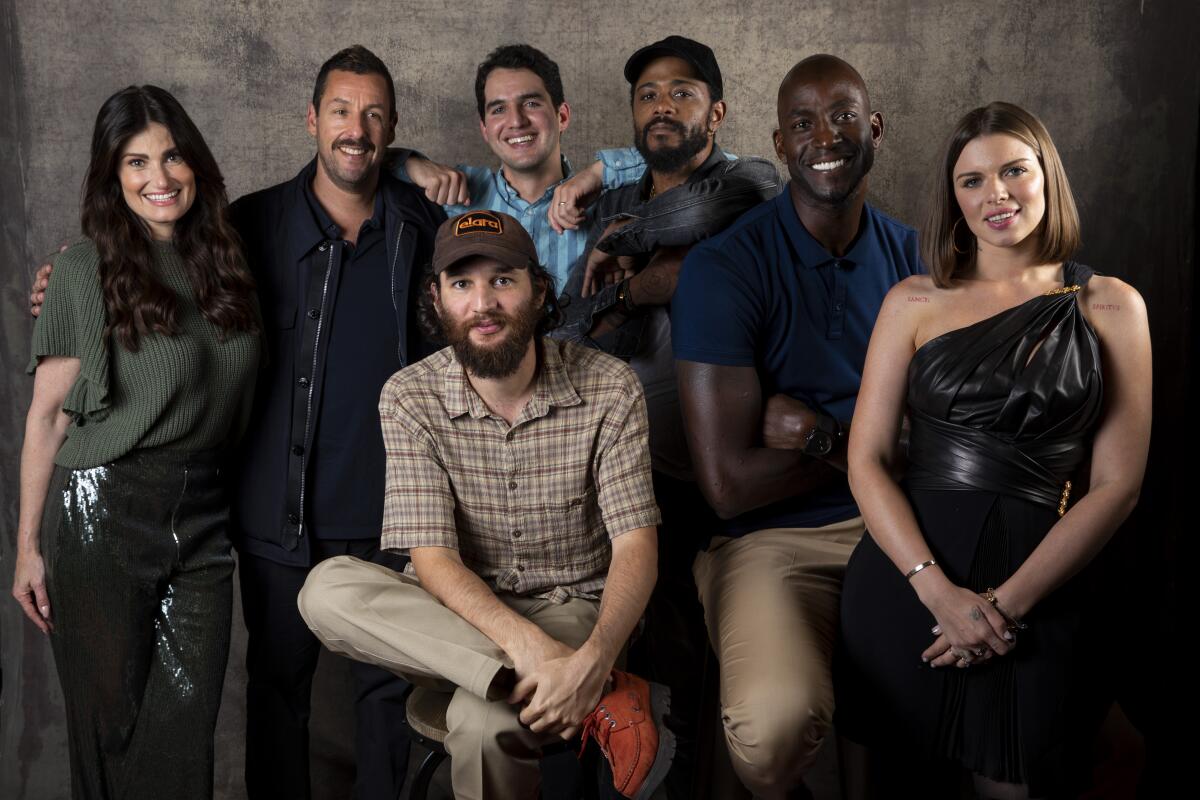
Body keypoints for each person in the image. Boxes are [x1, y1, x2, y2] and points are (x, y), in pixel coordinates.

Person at [26, 45, 445, 799]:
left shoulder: (409, 227)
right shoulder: (252, 224)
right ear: (311, 119)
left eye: (375, 114)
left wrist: (411, 164)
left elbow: (489, 252)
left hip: (328, 511)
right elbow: (61, 394)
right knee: (214, 706)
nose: (357, 127)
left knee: (359, 707)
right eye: (341, 110)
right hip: (209, 512)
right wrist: (68, 277)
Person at [296, 210, 673, 800]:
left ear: (538, 290)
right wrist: (533, 652)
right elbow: (435, 559)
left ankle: (571, 677)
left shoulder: (610, 386)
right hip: (451, 614)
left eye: (502, 280)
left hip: (570, 604)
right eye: (462, 284)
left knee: (483, 724)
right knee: (325, 590)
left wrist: (595, 655)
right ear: (438, 298)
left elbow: (636, 547)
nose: (483, 303)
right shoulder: (410, 396)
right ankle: (606, 694)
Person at [836, 101, 1151, 799]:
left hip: (1045, 583)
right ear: (953, 197)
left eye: (1014, 170)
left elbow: (1117, 487)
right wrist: (935, 590)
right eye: (972, 180)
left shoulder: (1111, 305)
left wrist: (1002, 607)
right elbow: (867, 462)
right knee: (891, 781)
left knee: (1019, 779)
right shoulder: (912, 301)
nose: (996, 194)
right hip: (909, 574)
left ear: (1049, 177)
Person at [670, 55, 923, 798]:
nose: (826, 136)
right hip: (772, 543)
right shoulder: (727, 267)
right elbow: (728, 487)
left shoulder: (916, 259)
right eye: (803, 123)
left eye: (843, 114)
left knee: (983, 687)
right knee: (774, 730)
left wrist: (817, 435)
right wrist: (872, 445)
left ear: (873, 128)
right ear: (780, 145)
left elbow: (944, 442)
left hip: (902, 528)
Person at [12, 85, 261, 799]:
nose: (159, 178)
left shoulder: (228, 259)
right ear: (112, 177)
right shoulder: (84, 270)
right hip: (105, 513)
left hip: (206, 519)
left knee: (185, 733)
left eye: (172, 156)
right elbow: (47, 417)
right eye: (135, 162)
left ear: (195, 162)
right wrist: (27, 548)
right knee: (109, 732)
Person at [551, 35, 781, 798]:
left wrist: (631, 262)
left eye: (682, 92)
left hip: (705, 478)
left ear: (715, 111)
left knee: (690, 672)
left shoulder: (750, 183)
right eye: (648, 94)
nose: (663, 105)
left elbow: (711, 219)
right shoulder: (612, 202)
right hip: (612, 476)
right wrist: (619, 292)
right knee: (614, 677)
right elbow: (571, 322)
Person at [388, 43, 643, 287]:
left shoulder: (605, 202)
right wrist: (413, 163)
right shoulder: (457, 194)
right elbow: (363, 161)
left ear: (562, 116)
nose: (516, 121)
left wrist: (599, 173)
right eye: (499, 109)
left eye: (531, 103)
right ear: (485, 129)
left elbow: (679, 161)